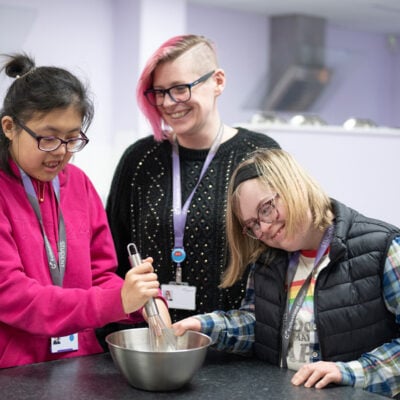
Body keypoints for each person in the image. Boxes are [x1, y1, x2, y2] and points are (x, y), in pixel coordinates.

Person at [173, 148, 400, 398]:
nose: (265, 229)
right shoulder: (267, 260)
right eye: (252, 225)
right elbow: (260, 325)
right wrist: (204, 327)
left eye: (267, 209)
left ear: (293, 184)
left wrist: (351, 373)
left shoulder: (383, 247)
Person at [0, 53, 170, 368]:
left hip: (80, 359)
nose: (61, 153)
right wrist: (115, 301)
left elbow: (100, 273)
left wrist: (143, 301)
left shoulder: (77, 184)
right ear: (10, 127)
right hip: (16, 368)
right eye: (48, 139)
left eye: (72, 138)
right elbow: (11, 295)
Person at [105, 34, 280, 325]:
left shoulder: (258, 154)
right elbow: (111, 253)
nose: (169, 103)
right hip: (150, 340)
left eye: (180, 89)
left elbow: (278, 252)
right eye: (159, 92)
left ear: (218, 82)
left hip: (234, 344)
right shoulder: (139, 160)